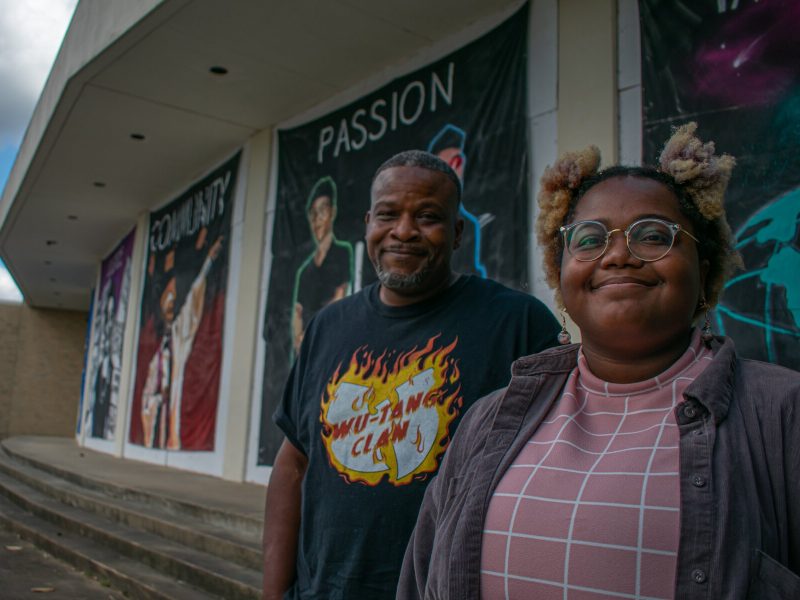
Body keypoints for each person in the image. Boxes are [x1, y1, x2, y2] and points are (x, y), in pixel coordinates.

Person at [398, 123, 800, 599]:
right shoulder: (486, 423)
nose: (617, 255)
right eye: (589, 239)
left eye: (653, 235)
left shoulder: (782, 415)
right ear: (561, 269)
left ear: (704, 267)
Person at [262, 150, 561, 600]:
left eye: (427, 216)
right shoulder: (328, 325)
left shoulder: (518, 325)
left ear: (458, 232)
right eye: (388, 214)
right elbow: (293, 464)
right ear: (367, 223)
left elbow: (556, 476)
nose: (403, 231)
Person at [141, 233, 223, 450]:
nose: (169, 302)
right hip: (163, 425)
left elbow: (194, 298)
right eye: (166, 295)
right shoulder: (158, 356)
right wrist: (158, 398)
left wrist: (208, 262)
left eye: (173, 296)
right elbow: (147, 397)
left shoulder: (180, 334)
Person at [291, 176, 354, 355]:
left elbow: (339, 298)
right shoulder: (304, 271)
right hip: (308, 350)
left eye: (322, 211)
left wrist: (312, 335)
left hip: (330, 343)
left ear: (332, 212)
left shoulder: (342, 252)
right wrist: (299, 339)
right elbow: (297, 312)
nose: (317, 219)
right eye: (313, 213)